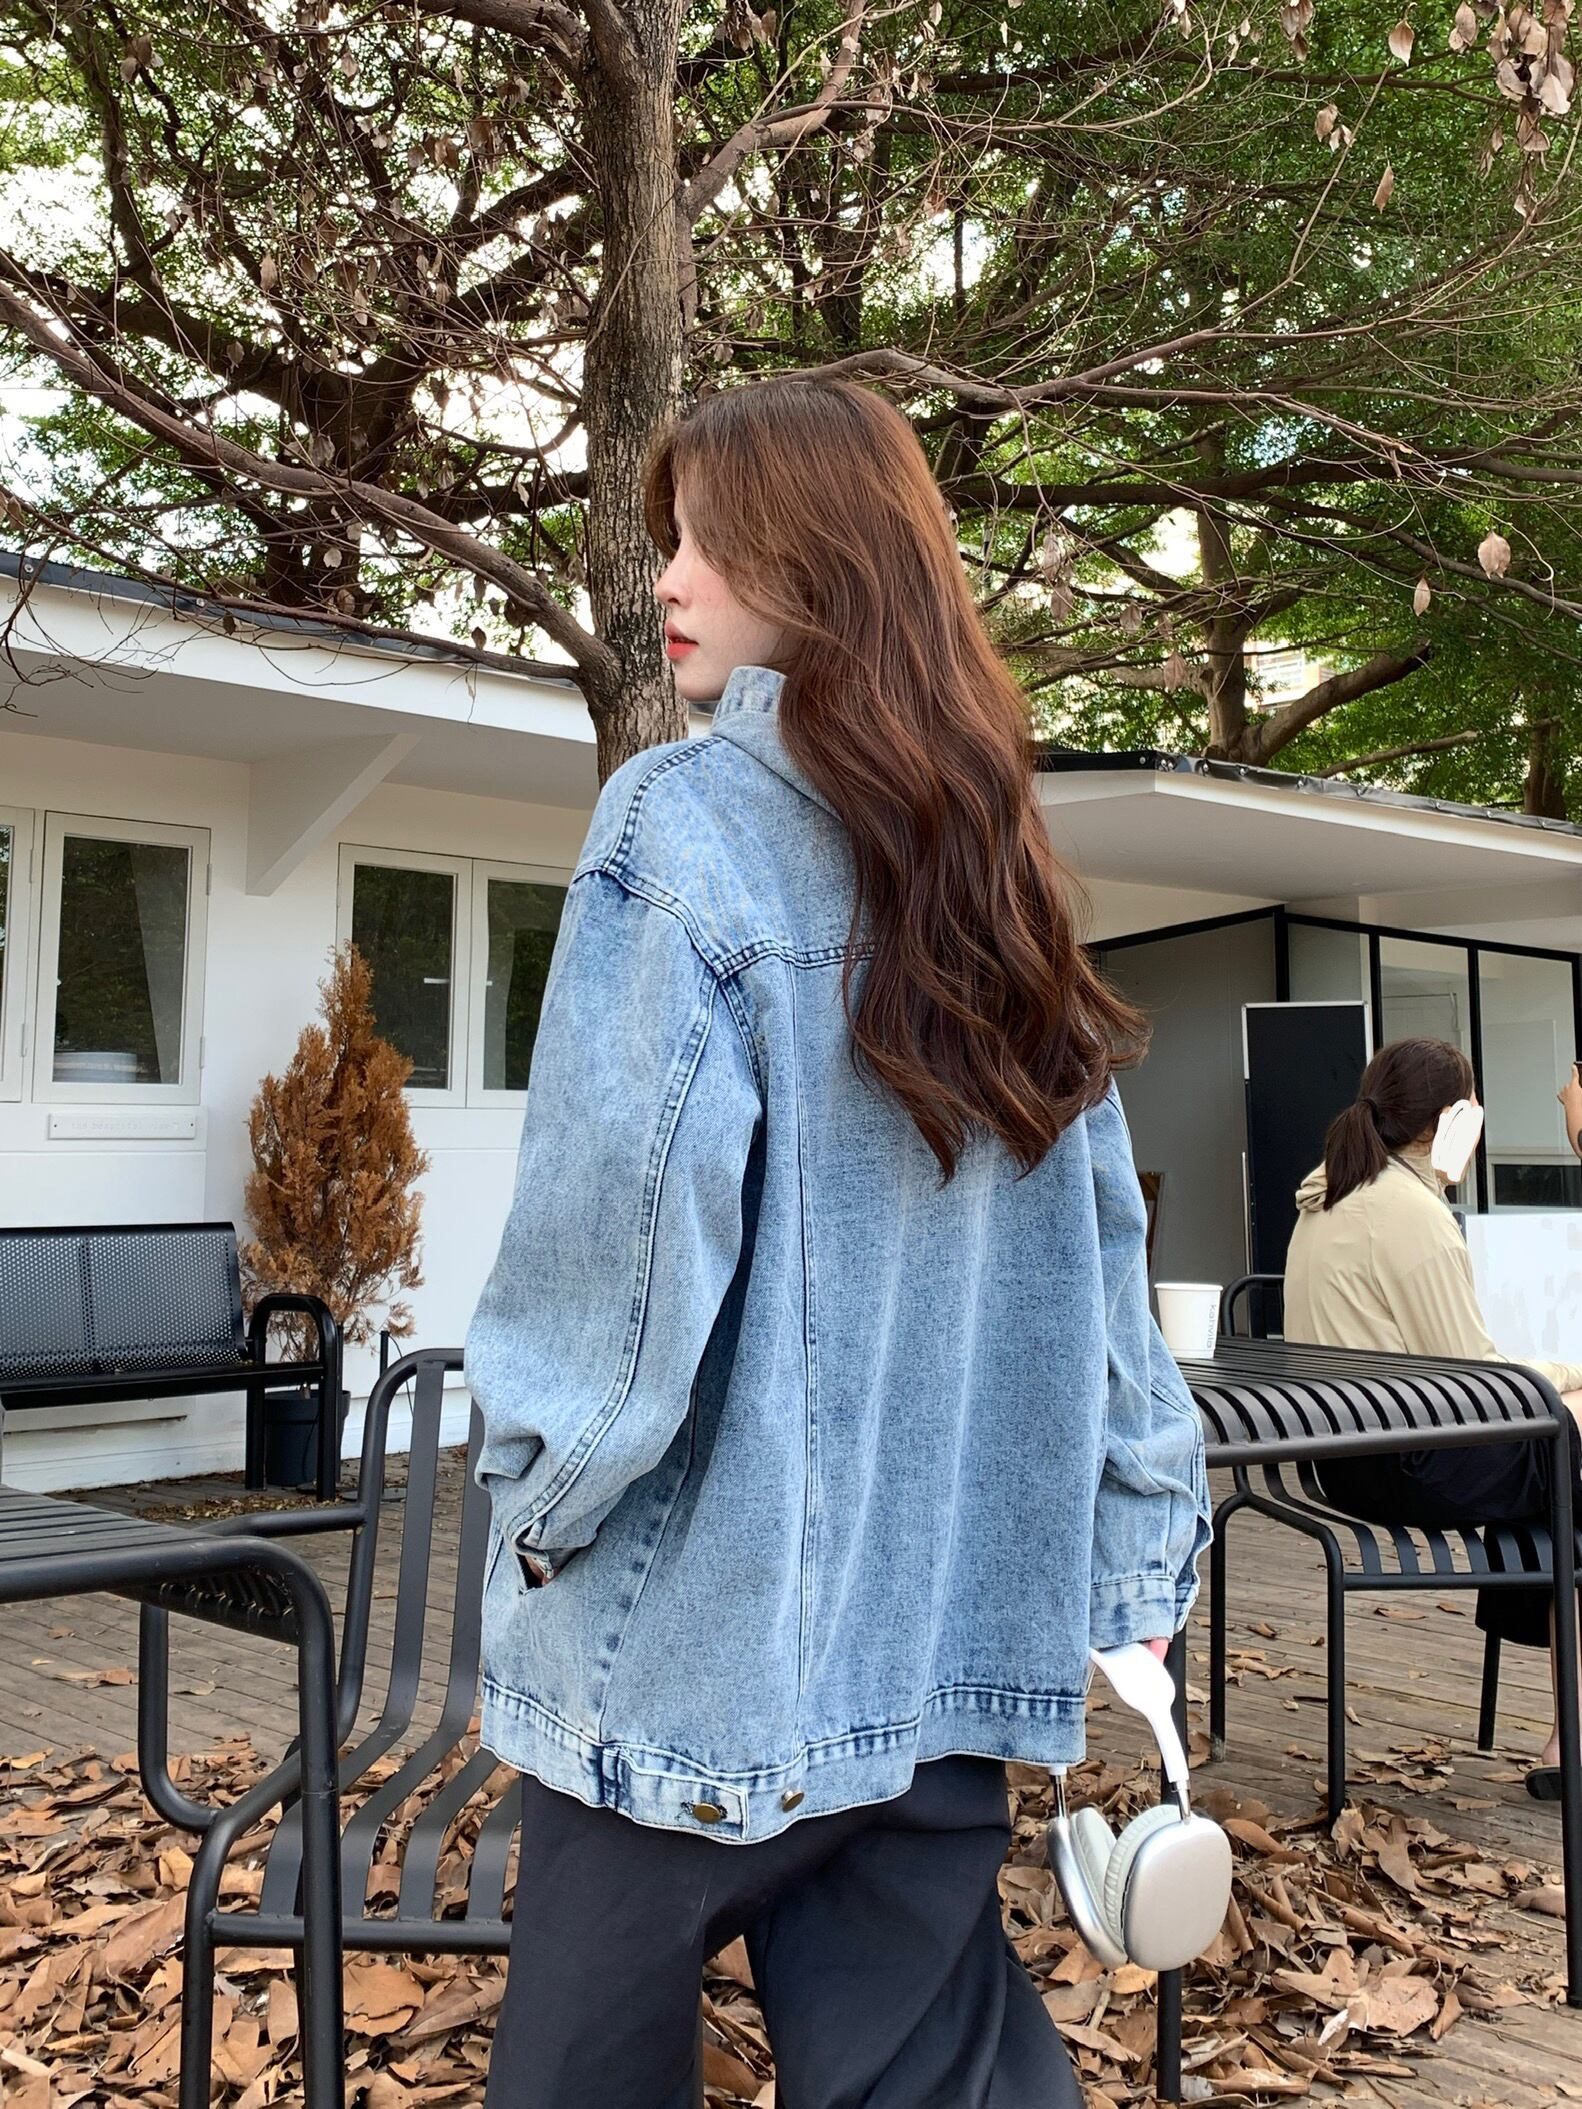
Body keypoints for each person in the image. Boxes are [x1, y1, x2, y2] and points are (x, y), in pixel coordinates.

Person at [465, 374, 1211, 2108]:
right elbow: (1106, 1293)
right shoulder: (997, 865)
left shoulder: (680, 825)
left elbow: (618, 1279)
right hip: (939, 1645)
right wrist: (1129, 1573)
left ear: (816, 561)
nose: (665, 578)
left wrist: (540, 1508)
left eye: (705, 540)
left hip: (689, 1658)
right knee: (937, 2078)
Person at [1285, 1036, 1582, 1800]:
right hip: (1409, 1461)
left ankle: (1570, 1731)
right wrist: (1569, 1372)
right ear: (1448, 1120)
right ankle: (1570, 1728)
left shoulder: (1333, 1193)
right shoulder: (1410, 1214)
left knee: (1563, 1459)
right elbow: (1484, 1382)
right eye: (1473, 1106)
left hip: (1345, 1455)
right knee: (1569, 1440)